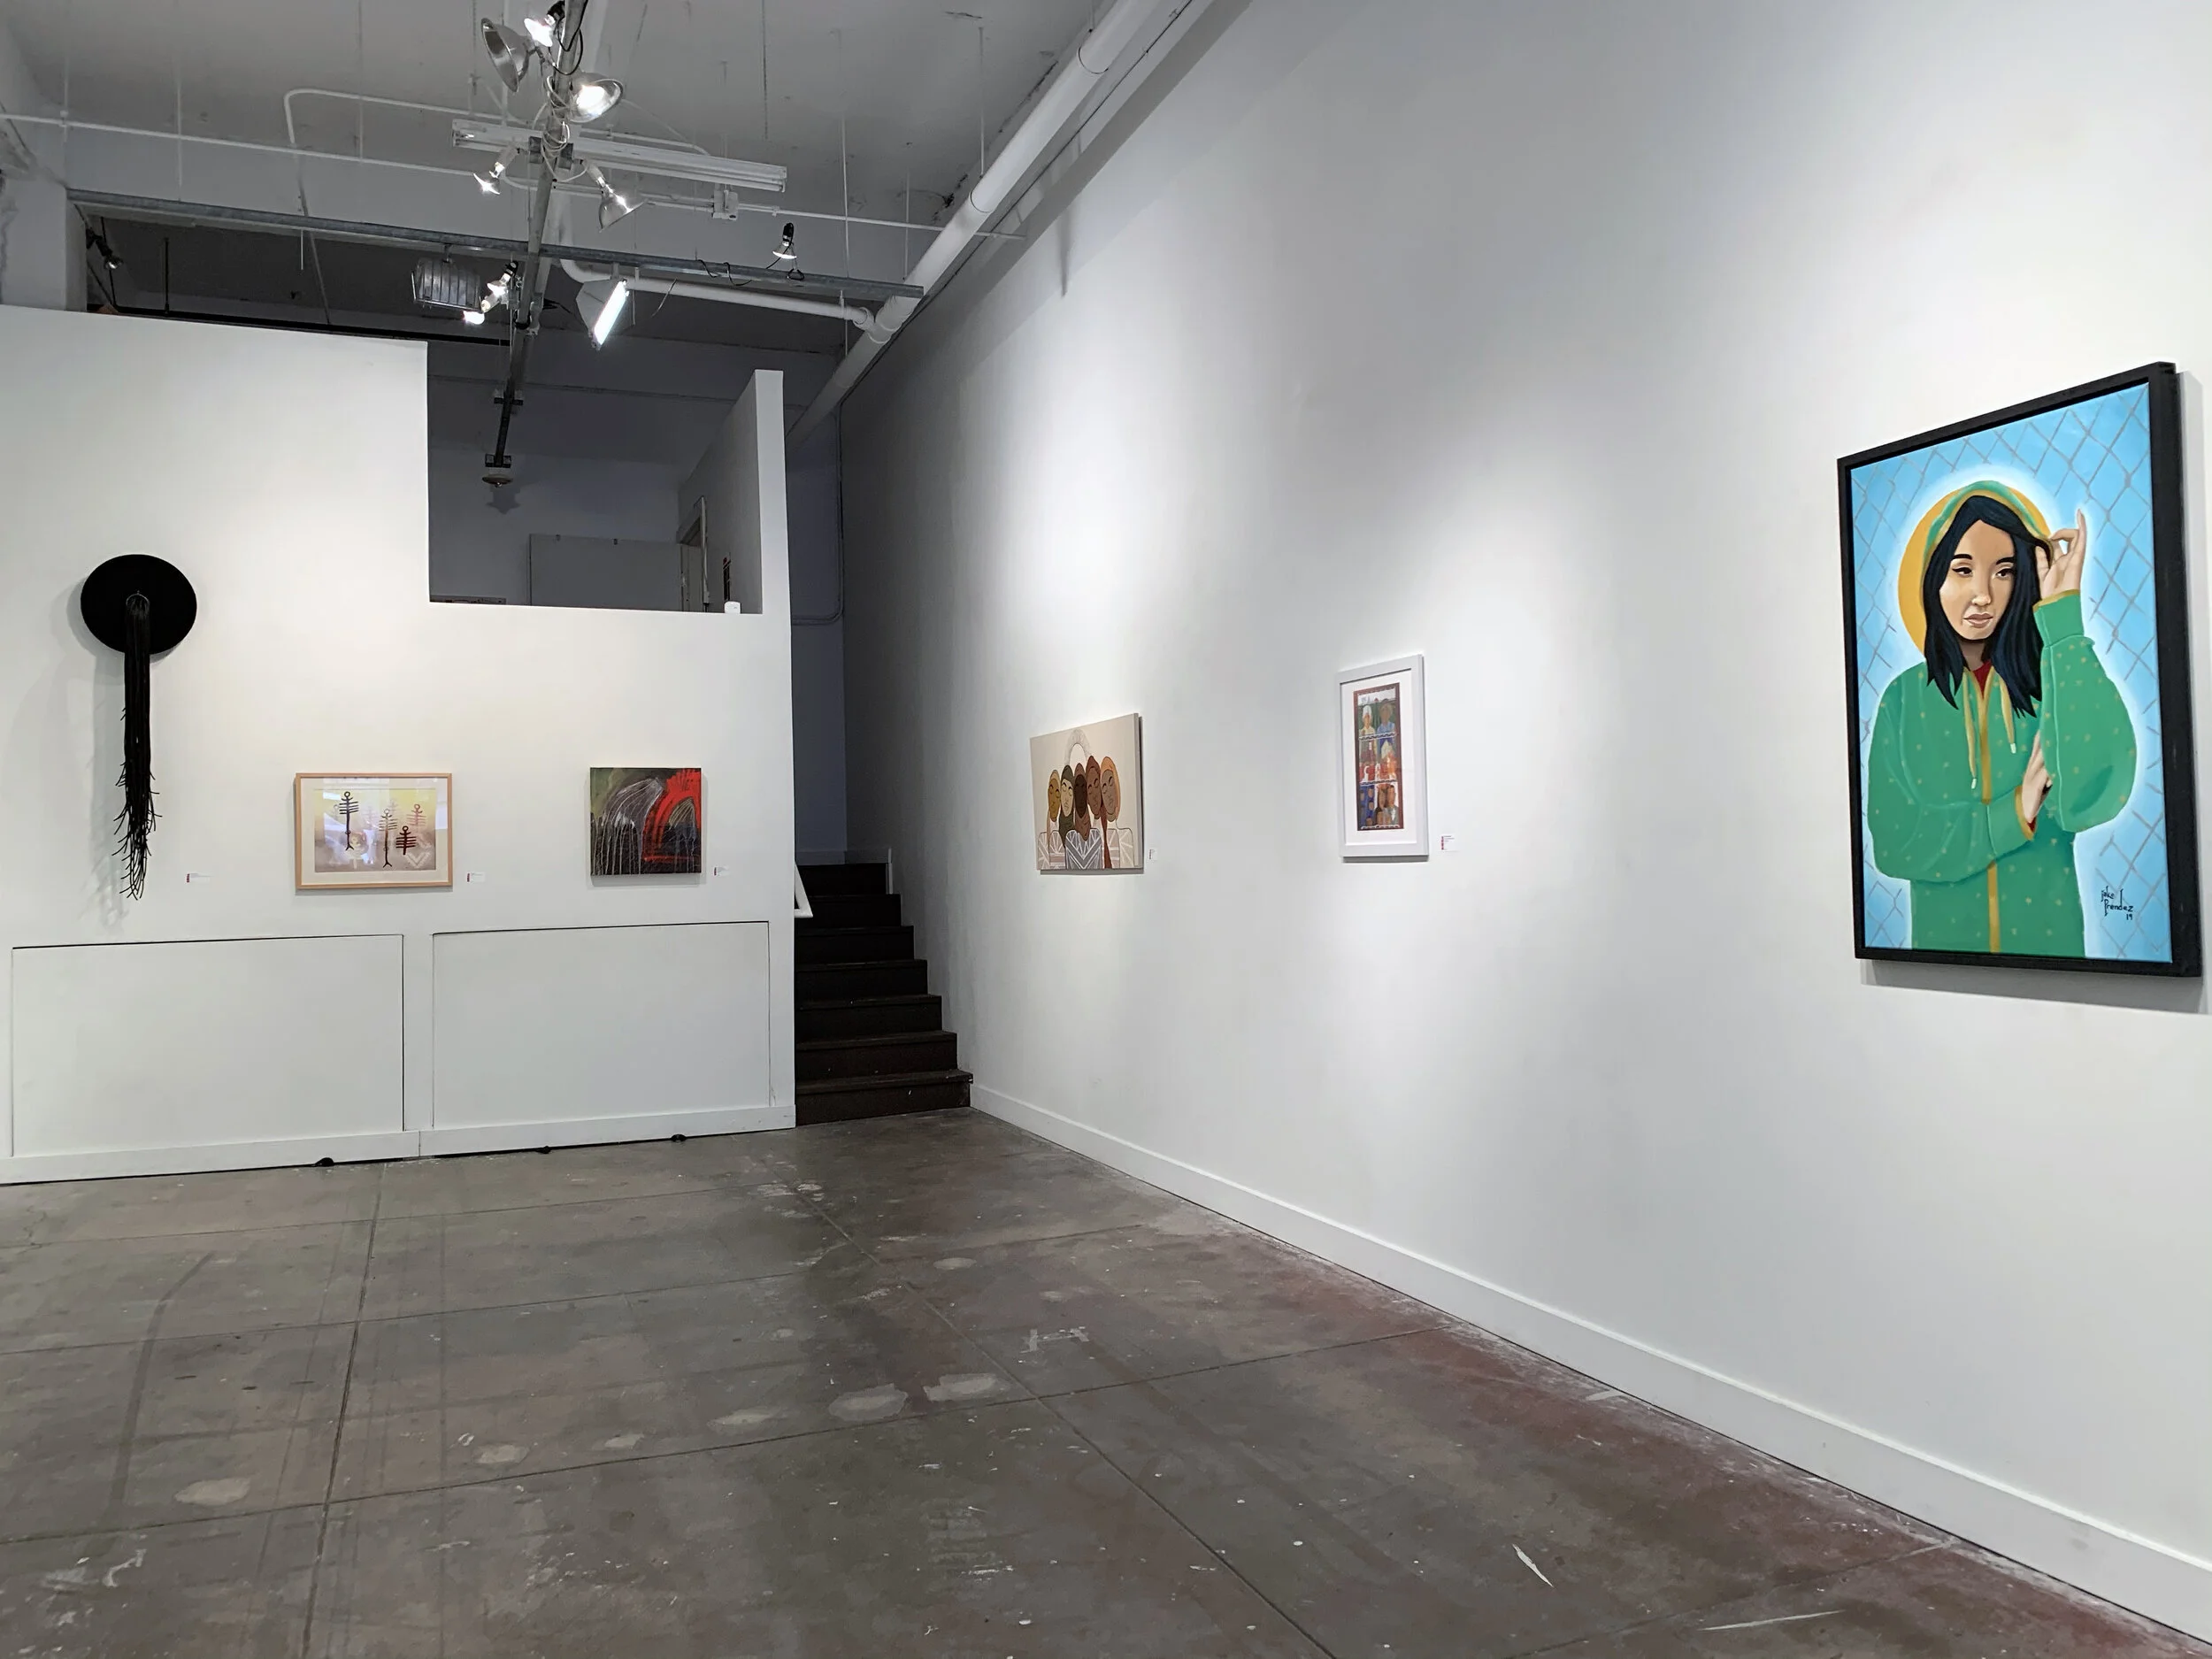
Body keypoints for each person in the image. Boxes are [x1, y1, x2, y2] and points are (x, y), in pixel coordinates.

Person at [1865, 481, 2135, 955]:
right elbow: (1896, 843)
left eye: (2004, 571)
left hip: (2055, 964)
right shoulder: (1903, 701)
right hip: (1936, 973)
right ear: (1933, 578)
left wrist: (2063, 624)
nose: (1983, 595)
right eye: (1962, 570)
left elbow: (2095, 795)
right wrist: (2015, 811)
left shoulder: (2055, 680)